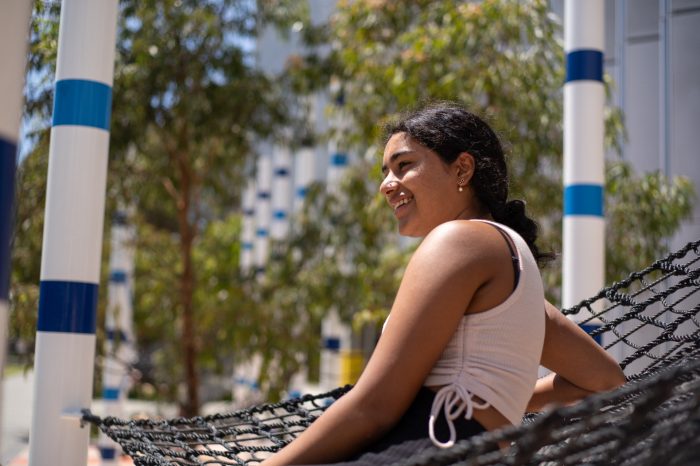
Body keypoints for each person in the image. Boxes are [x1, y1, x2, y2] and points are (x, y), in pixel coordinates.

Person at [261, 102, 625, 465]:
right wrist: (502, 397)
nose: (386, 185)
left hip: (422, 447)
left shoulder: (458, 241)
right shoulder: (517, 282)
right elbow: (605, 379)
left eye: (404, 166)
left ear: (462, 169)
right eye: (386, 171)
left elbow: (373, 408)